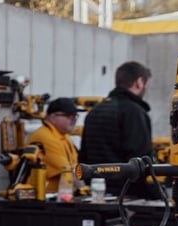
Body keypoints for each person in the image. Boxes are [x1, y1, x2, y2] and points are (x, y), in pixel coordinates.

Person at [80, 61, 156, 196]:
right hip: (126, 196)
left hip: (97, 194)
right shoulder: (135, 112)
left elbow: (84, 157)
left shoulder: (95, 111)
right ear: (139, 82)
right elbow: (141, 162)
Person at [26, 97, 80, 195]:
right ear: (53, 117)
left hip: (59, 196)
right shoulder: (45, 137)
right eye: (69, 116)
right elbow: (69, 171)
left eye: (76, 116)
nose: (74, 119)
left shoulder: (64, 136)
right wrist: (85, 190)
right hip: (39, 198)